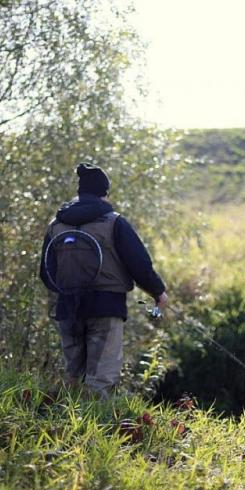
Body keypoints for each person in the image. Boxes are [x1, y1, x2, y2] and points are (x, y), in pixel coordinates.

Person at [39, 162, 168, 396]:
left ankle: (67, 418)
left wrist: (69, 292)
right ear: (105, 193)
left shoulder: (56, 225)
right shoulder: (114, 222)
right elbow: (139, 264)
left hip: (68, 309)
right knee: (101, 382)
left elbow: (46, 273)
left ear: (80, 191)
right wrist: (158, 292)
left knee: (73, 379)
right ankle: (95, 419)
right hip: (106, 308)